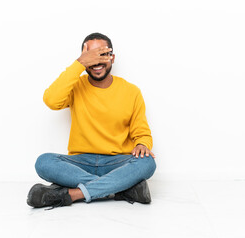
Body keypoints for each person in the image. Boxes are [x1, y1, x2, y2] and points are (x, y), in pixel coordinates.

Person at [27, 33, 156, 209]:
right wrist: (79, 64)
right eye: (90, 56)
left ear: (112, 57)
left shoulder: (131, 91)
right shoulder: (75, 86)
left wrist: (142, 144)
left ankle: (74, 194)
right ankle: (121, 189)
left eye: (101, 54)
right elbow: (51, 100)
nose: (96, 61)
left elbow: (141, 132)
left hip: (116, 163)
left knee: (147, 162)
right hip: (80, 164)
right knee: (44, 162)